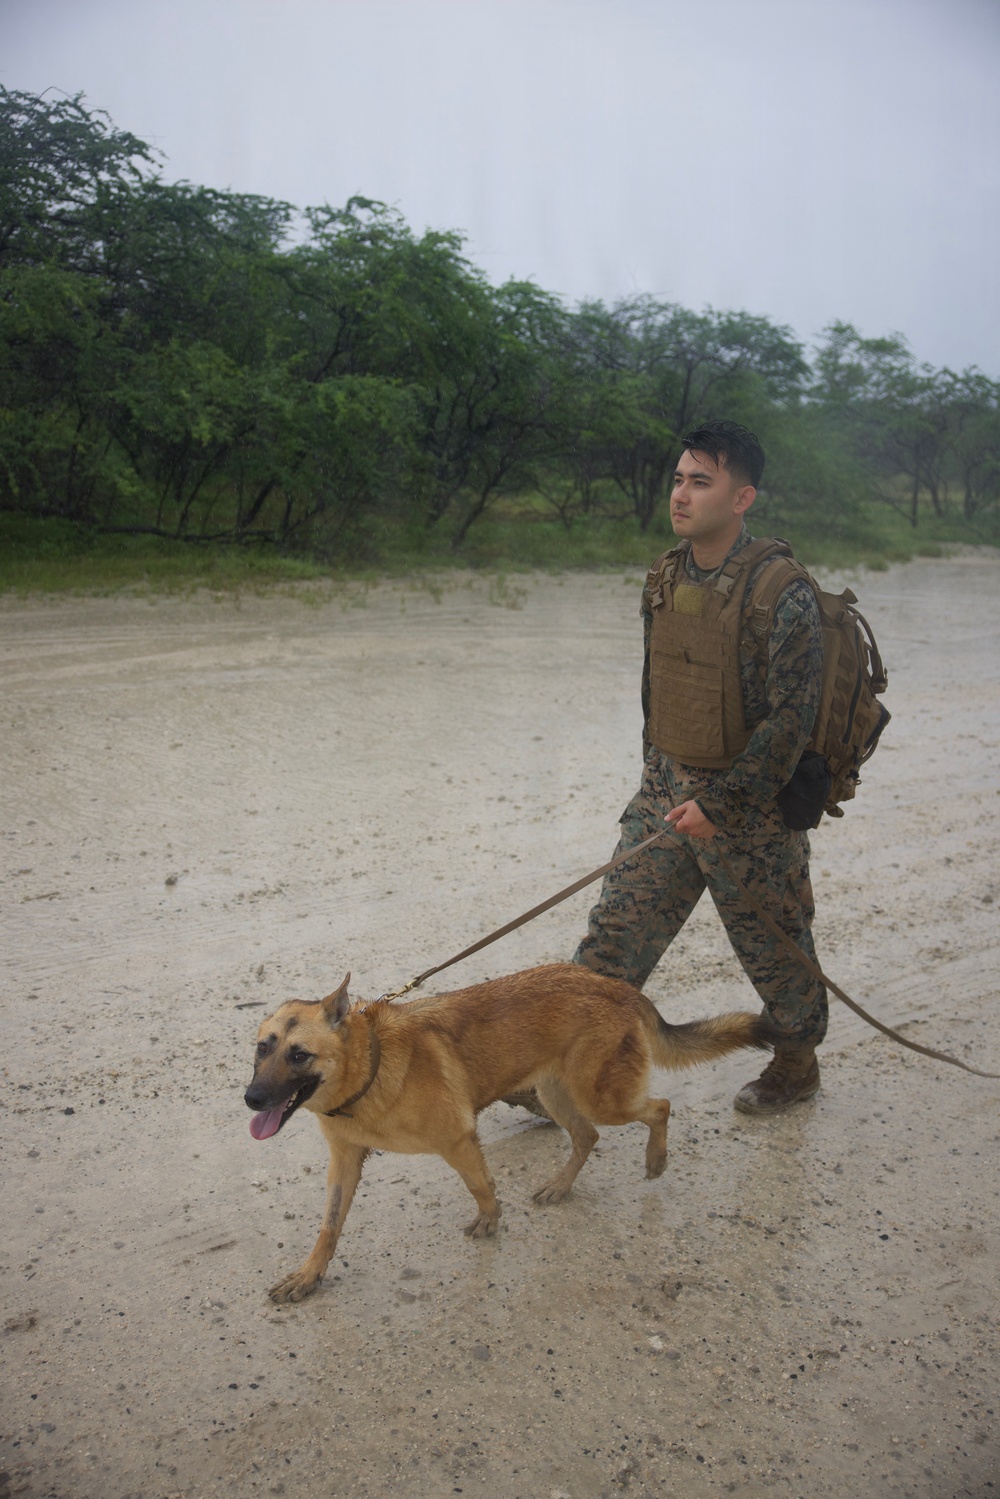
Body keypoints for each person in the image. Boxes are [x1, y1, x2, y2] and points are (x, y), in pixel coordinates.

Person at [571, 419, 828, 1113]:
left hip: (749, 816)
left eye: (700, 482)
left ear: (742, 498)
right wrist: (659, 781)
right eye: (679, 478)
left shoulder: (784, 592)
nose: (681, 494)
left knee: (775, 949)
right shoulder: (663, 574)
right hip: (666, 796)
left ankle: (797, 1062)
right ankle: (567, 1069)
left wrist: (722, 805)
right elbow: (658, 690)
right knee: (612, 941)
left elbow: (790, 721)